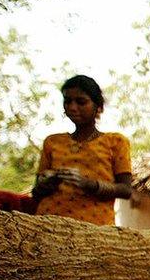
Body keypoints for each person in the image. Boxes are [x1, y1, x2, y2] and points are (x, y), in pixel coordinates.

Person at [32, 75, 132, 225]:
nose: (72, 107)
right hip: (48, 223)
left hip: (93, 227)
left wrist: (89, 184)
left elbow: (125, 190)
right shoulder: (52, 142)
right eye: (67, 101)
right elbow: (36, 193)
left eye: (81, 102)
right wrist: (49, 182)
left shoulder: (116, 142)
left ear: (98, 107)